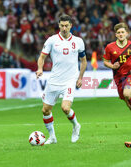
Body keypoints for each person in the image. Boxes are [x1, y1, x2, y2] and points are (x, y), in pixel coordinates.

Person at [36, 14, 87, 144]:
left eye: (66, 25)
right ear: (59, 25)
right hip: (54, 80)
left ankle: (76, 126)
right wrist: (40, 69)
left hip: (70, 80)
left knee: (65, 107)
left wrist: (80, 77)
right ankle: (52, 137)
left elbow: (83, 60)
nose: (64, 28)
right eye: (62, 25)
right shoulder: (52, 40)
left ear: (71, 26)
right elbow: (42, 57)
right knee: (45, 110)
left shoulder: (78, 41)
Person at [103, 23, 131, 130]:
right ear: (115, 35)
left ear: (127, 33)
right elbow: (105, 61)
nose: (121, 34)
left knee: (127, 94)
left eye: (122, 32)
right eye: (118, 32)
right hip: (118, 77)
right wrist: (112, 66)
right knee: (126, 100)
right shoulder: (110, 47)